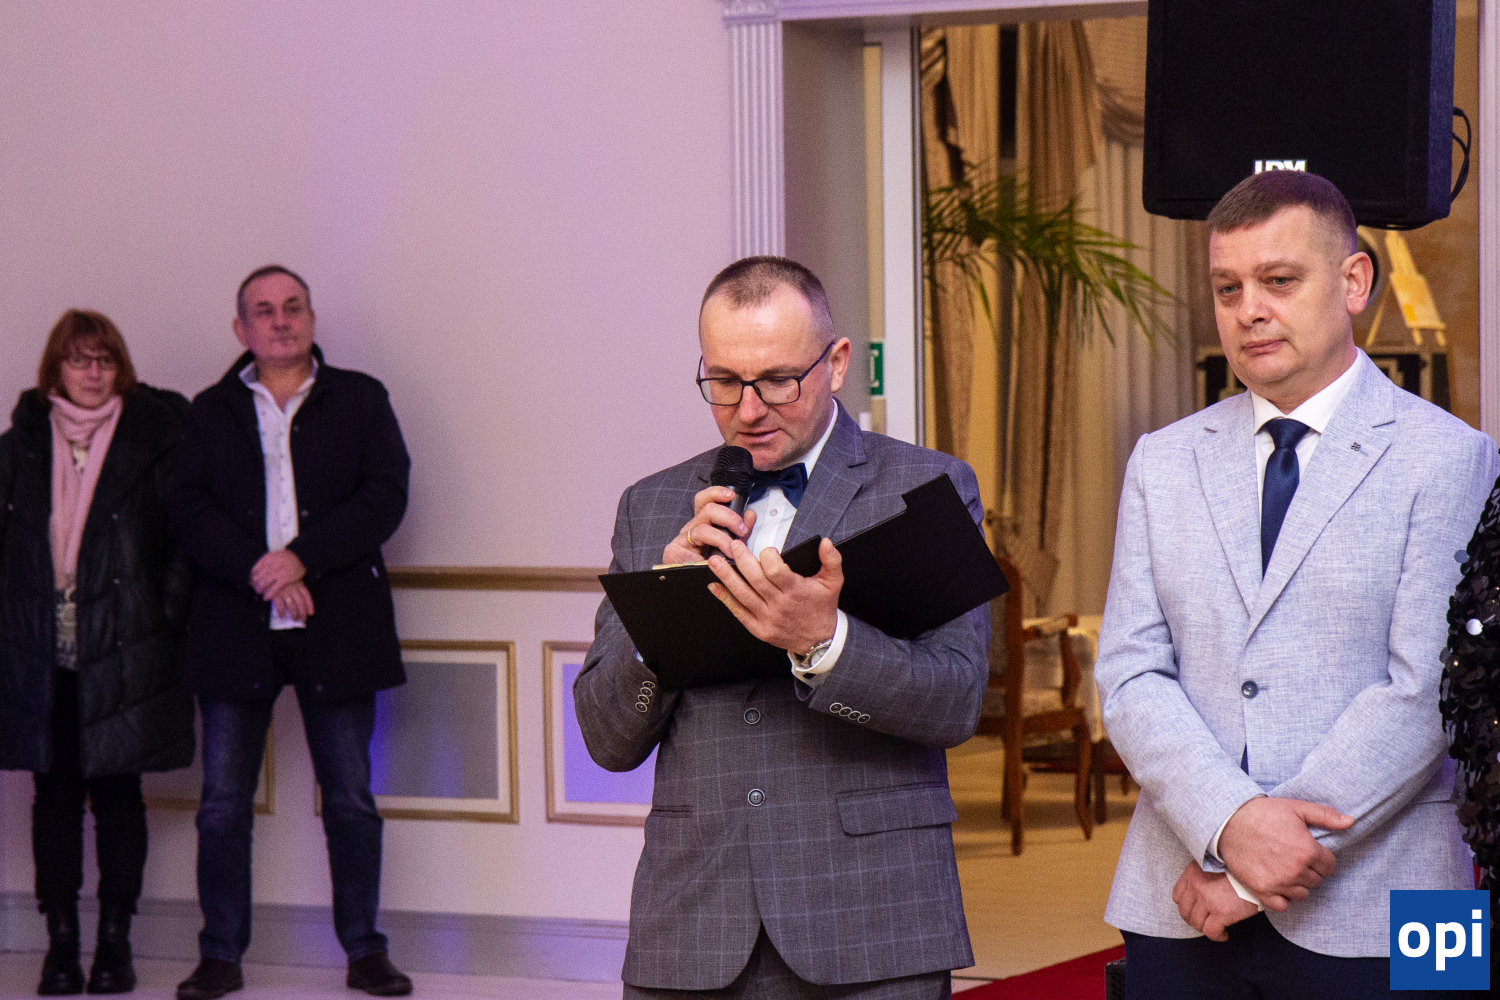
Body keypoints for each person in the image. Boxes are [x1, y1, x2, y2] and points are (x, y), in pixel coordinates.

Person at [1094, 169, 1498, 999]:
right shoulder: (1160, 461)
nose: (1249, 309)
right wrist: (1228, 822)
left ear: (1353, 282)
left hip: (1404, 895)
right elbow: (1130, 674)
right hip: (1180, 894)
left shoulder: (1456, 457)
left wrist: (1251, 872)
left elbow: (1428, 693)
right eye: (1227, 288)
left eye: (1278, 281)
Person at [574, 256, 989, 999]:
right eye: (724, 381)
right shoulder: (650, 505)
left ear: (836, 364)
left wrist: (824, 642)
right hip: (692, 928)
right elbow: (607, 741)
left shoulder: (927, 486)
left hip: (871, 921)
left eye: (776, 381)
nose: (748, 410)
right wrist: (662, 614)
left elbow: (956, 702)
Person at [167, 265, 412, 999]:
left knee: (351, 799)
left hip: (339, 625)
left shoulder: (361, 399)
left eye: (293, 307)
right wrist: (265, 570)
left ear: (311, 317)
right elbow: (187, 508)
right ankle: (219, 955)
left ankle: (365, 951)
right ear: (241, 329)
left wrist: (302, 558)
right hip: (233, 627)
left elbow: (385, 494)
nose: (280, 320)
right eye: (264, 310)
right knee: (222, 805)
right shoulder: (208, 411)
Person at [0, 309, 195, 995]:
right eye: (78, 360)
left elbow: (184, 541)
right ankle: (60, 945)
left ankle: (115, 943)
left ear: (121, 370)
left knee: (118, 797)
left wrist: (164, 614)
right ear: (55, 369)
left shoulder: (155, 441)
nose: (92, 373)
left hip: (128, 647)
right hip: (41, 652)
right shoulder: (19, 447)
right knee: (53, 799)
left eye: (104, 361)